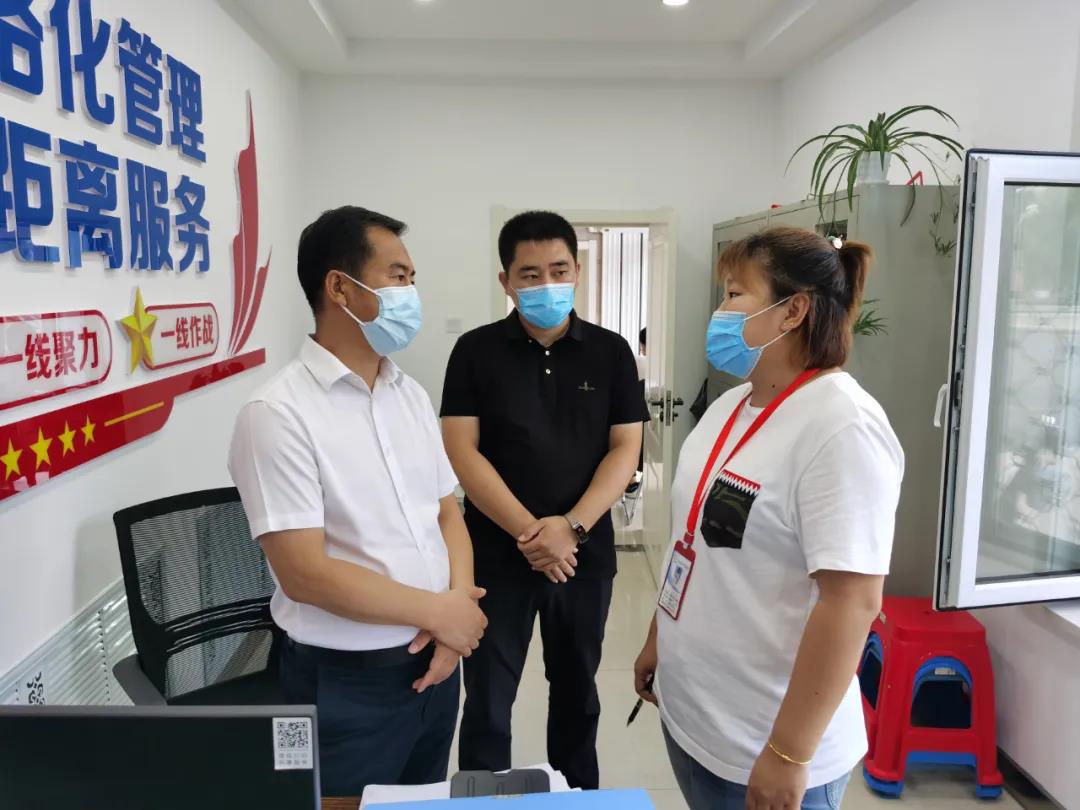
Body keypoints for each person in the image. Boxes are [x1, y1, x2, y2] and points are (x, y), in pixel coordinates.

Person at [634, 226, 904, 810]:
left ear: (793, 311)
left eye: (735, 294)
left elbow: (852, 602)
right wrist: (660, 640)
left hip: (765, 742)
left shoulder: (841, 427)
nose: (720, 312)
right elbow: (693, 543)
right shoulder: (731, 407)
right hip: (698, 715)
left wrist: (788, 753)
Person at [227, 206, 487, 798]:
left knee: (419, 798)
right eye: (397, 277)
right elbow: (305, 573)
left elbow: (447, 512)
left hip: (435, 664)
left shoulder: (408, 393)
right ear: (340, 288)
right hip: (347, 683)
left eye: (412, 278)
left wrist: (453, 621)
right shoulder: (276, 414)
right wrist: (439, 613)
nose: (411, 293)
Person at [441, 210, 649, 790]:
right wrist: (532, 534)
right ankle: (481, 799)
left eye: (558, 270)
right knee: (487, 698)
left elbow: (626, 448)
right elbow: (461, 450)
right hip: (495, 559)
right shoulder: (474, 351)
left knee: (577, 693)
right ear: (505, 282)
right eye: (530, 274)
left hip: (583, 558)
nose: (546, 284)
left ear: (577, 271)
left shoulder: (610, 352)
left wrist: (571, 528)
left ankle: (577, 796)